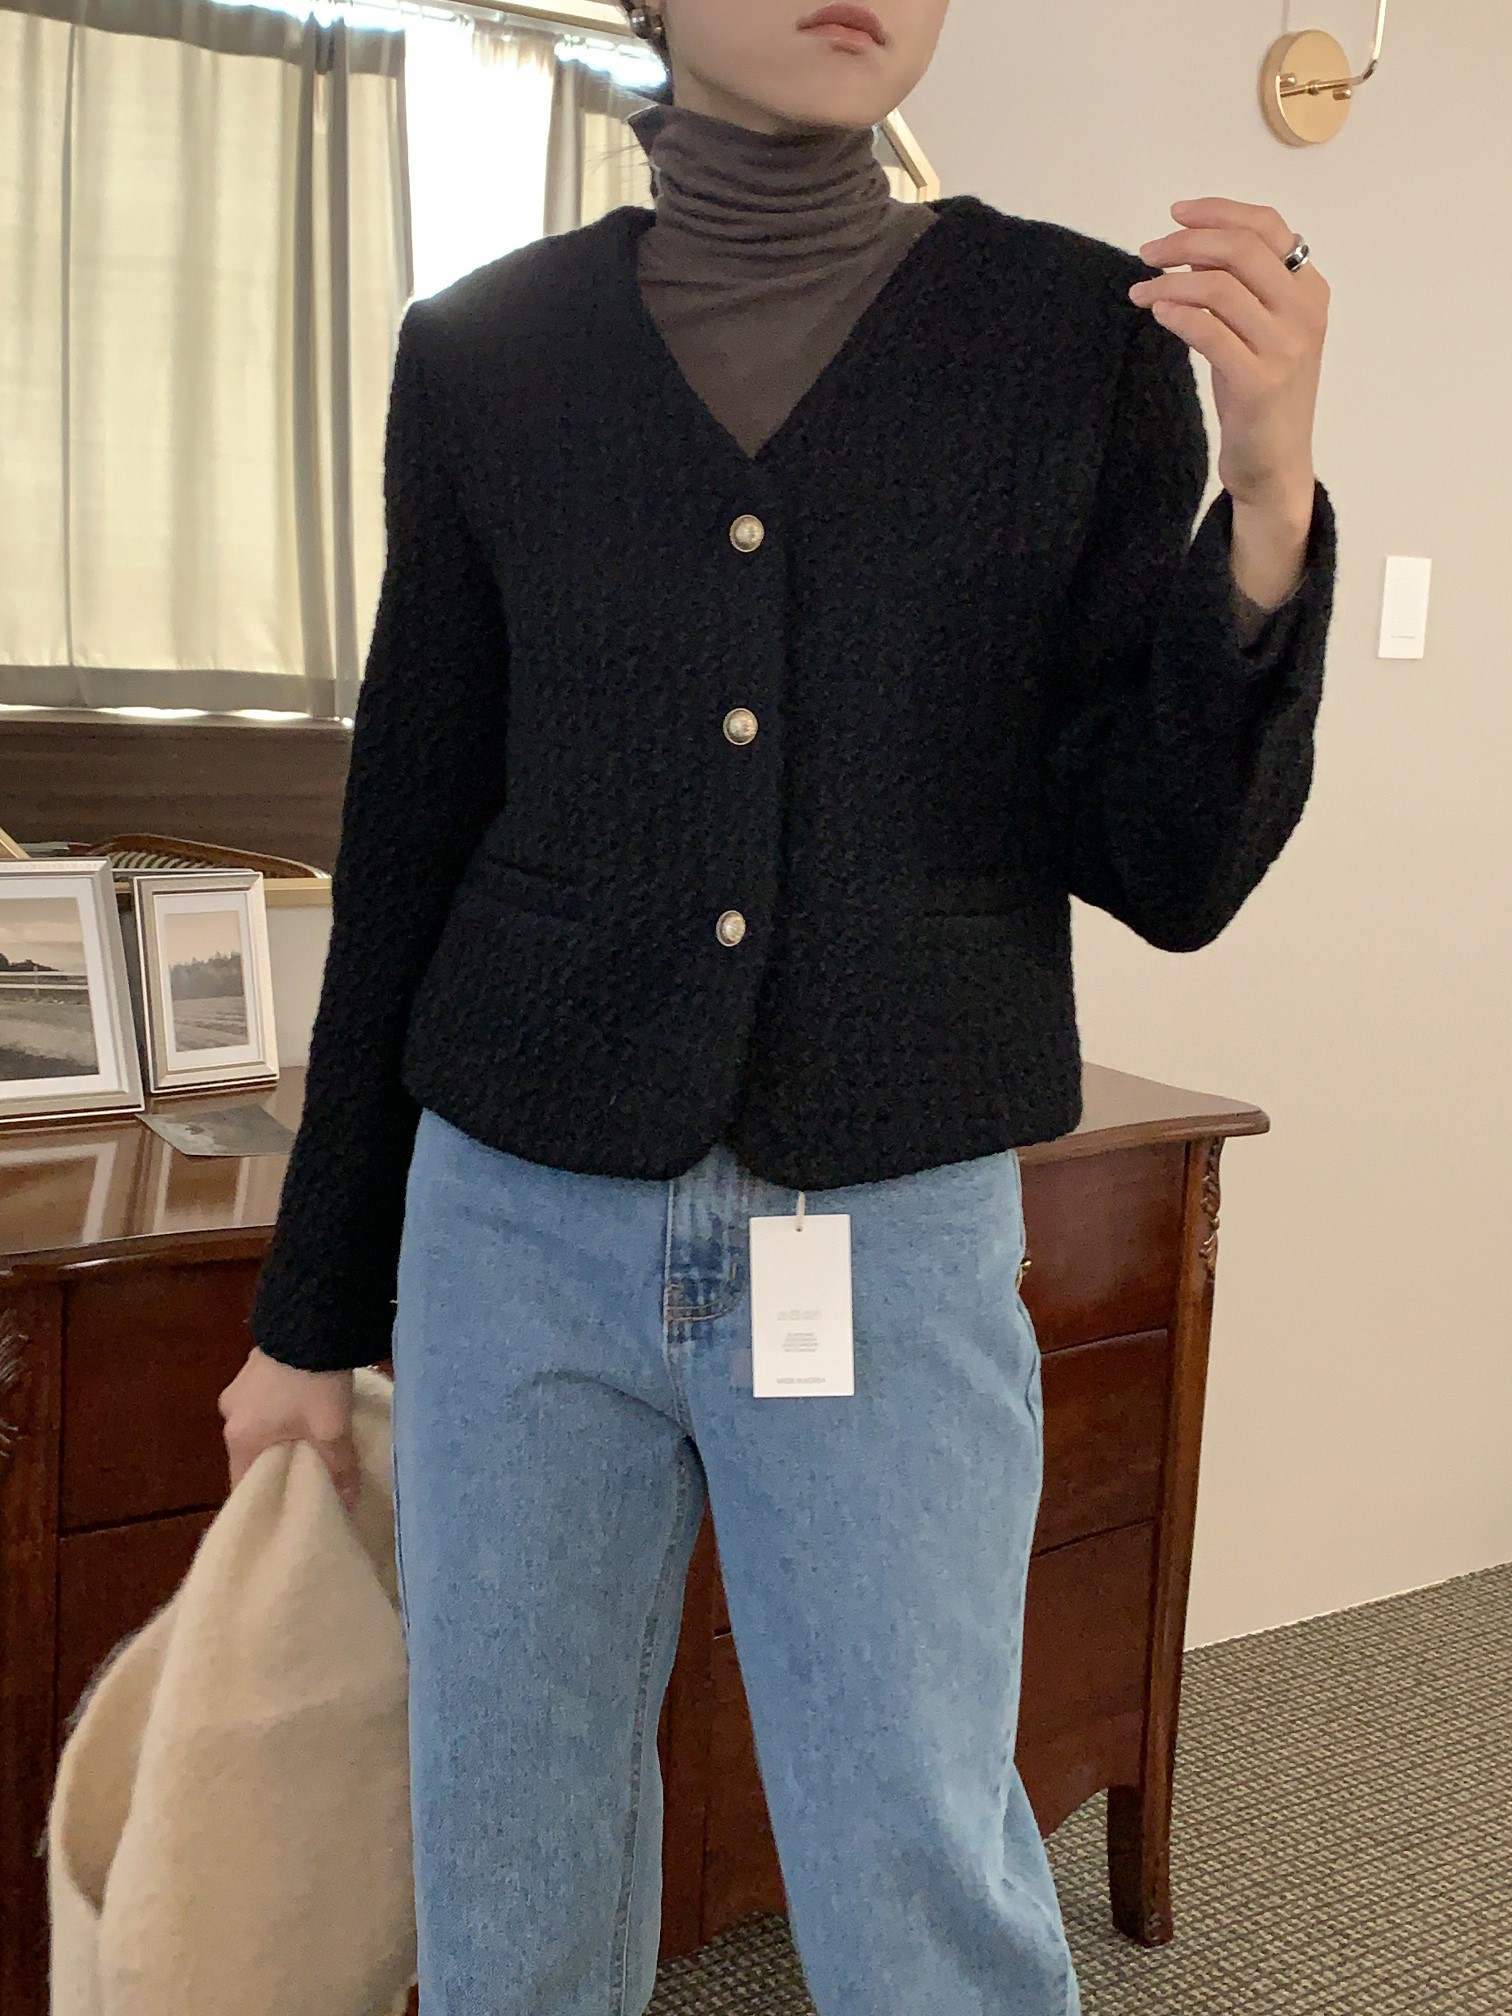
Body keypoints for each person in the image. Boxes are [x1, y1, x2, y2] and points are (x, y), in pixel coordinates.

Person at [219, 3, 1337, 2011]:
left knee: (920, 1861)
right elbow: (412, 825)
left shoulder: (1075, 341)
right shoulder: (486, 353)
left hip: (885, 1228)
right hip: (512, 1224)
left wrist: (1262, 511)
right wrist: (310, 1315)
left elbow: (1164, 866)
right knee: (507, 1853)